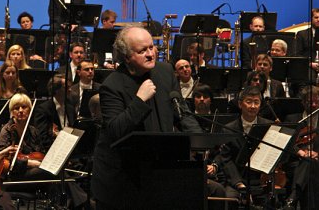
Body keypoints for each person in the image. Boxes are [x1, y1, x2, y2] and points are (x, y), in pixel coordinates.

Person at [91, 26, 203, 208]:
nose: (150, 54)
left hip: (158, 173)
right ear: (126, 57)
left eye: (152, 47)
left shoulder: (166, 71)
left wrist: (199, 139)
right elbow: (115, 130)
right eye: (142, 51)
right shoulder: (112, 85)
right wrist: (140, 100)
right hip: (122, 181)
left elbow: (181, 112)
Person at [220, 86, 273, 201]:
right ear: (240, 104)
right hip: (238, 179)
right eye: (248, 102)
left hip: (261, 179)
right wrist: (238, 183)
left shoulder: (269, 126)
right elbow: (226, 160)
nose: (253, 106)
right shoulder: (228, 129)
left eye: (256, 102)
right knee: (230, 199)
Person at [284, 86, 319, 209]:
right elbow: (286, 142)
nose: (313, 104)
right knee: (307, 163)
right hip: (295, 162)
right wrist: (299, 151)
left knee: (309, 163)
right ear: (302, 102)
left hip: (318, 162)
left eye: (316, 101)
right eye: (309, 101)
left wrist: (318, 154)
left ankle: (292, 199)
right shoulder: (292, 120)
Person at [34, 74, 76, 151]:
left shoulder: (70, 107)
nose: (70, 90)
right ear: (56, 90)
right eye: (66, 87)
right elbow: (43, 137)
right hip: (53, 151)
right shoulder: (43, 110)